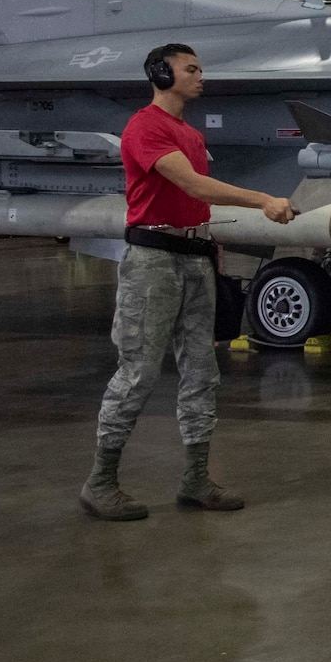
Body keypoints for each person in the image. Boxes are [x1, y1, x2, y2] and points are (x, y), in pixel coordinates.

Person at [79, 44, 296, 521]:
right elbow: (193, 186)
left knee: (202, 372)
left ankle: (196, 479)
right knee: (138, 371)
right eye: (190, 69)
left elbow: (196, 201)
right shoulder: (145, 127)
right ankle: (100, 482)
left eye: (200, 68)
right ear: (160, 73)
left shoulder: (189, 135)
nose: (201, 76)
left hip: (195, 258)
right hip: (153, 261)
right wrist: (262, 199)